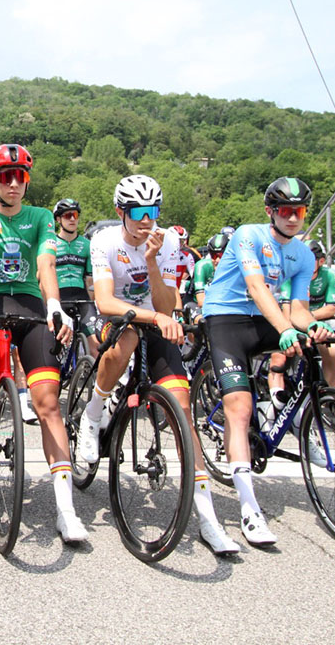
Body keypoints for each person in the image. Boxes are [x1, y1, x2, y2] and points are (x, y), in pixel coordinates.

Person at [78, 174, 238, 555]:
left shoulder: (169, 242)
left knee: (182, 407)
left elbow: (167, 304)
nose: (147, 220)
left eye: (154, 211)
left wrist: (151, 262)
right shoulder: (104, 241)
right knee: (128, 336)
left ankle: (207, 518)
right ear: (122, 212)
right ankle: (93, 411)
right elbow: (105, 302)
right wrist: (152, 318)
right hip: (116, 319)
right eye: (139, 212)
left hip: (155, 318)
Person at [0, 144, 85, 543]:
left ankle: (65, 510)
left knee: (47, 402)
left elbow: (45, 263)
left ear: (27, 181)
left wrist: (56, 305)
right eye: (6, 177)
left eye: (20, 177)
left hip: (28, 301)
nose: (13, 184)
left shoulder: (42, 217)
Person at [201, 177, 331, 546]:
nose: (293, 218)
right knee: (239, 409)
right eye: (286, 211)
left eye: (300, 211)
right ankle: (249, 509)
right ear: (270, 212)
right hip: (226, 318)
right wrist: (286, 328)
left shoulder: (304, 255)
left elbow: (301, 310)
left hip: (264, 319)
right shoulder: (249, 235)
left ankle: (309, 417)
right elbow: (257, 287)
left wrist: (314, 328)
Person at [266, 239, 335, 425]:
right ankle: (274, 409)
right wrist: (301, 323)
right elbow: (288, 313)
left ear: (320, 261)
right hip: (292, 322)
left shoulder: (328, 275)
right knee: (278, 359)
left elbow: (331, 309)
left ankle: (318, 402)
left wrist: (309, 318)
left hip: (314, 323)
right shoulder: (292, 275)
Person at [52, 198, 97, 360]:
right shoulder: (51, 244)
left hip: (82, 298)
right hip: (59, 297)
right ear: (58, 219)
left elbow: (90, 279)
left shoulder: (87, 245)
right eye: (67, 215)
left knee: (96, 345)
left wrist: (93, 303)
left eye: (75, 215)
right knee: (53, 344)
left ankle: (94, 382)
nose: (72, 219)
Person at [193, 233, 229, 308]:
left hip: (221, 305)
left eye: (221, 256)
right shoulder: (202, 266)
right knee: (200, 319)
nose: (217, 260)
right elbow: (201, 301)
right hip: (196, 303)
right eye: (214, 255)